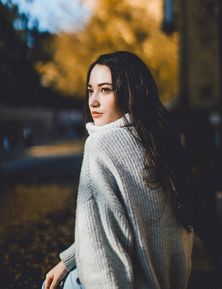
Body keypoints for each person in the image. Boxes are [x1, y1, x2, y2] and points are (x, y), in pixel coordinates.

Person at [42, 51, 193, 289]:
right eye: (90, 90)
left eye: (105, 90)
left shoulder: (100, 144)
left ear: (129, 93)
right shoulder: (157, 142)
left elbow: (101, 254)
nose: (93, 101)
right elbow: (131, 224)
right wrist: (68, 261)